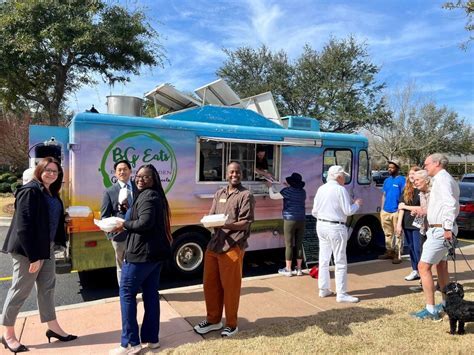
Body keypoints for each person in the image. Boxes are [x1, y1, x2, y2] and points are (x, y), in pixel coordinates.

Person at [1, 157, 77, 353]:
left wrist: (63, 219)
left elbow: (46, 218)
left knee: (47, 288)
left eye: (55, 171)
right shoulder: (30, 191)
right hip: (29, 251)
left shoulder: (50, 192)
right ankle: (7, 334)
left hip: (47, 248)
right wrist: (34, 256)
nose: (52, 173)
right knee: (20, 290)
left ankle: (53, 327)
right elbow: (23, 227)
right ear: (40, 170)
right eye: (48, 170)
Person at [109, 164, 173, 354]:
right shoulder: (151, 196)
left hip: (141, 255)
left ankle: (130, 343)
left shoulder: (149, 196)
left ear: (154, 179)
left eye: (145, 177)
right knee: (151, 295)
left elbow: (145, 223)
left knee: (127, 293)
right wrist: (130, 212)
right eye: (138, 176)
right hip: (153, 256)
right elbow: (146, 219)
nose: (140, 179)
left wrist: (124, 225)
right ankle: (152, 339)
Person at [194, 162, 255, 338]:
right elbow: (213, 215)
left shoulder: (245, 195)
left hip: (233, 246)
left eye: (237, 172)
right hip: (215, 244)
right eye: (231, 172)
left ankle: (231, 324)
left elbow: (246, 222)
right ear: (226, 174)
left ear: (241, 175)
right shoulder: (219, 193)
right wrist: (209, 221)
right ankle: (213, 320)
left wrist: (226, 224)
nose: (234, 175)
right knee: (210, 285)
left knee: (230, 287)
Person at [411, 153, 460, 320]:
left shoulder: (442, 179)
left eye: (426, 165)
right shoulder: (445, 178)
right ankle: (447, 304)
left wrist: (446, 227)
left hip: (440, 229)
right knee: (441, 266)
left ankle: (431, 310)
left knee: (423, 267)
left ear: (437, 163)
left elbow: (450, 204)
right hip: (441, 229)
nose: (425, 167)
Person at [311, 165, 362, 303]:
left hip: (321, 224)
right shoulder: (340, 190)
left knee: (324, 259)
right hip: (336, 226)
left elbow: (314, 211)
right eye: (343, 176)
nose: (344, 178)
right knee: (340, 261)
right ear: (338, 176)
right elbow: (348, 211)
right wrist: (357, 204)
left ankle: (323, 289)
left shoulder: (321, 189)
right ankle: (342, 293)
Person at [101, 160, 137, 286]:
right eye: (119, 170)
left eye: (125, 169)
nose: (122, 172)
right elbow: (105, 216)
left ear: (130, 171)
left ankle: (137, 289)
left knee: (138, 264)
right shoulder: (109, 191)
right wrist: (111, 236)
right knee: (122, 266)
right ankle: (125, 292)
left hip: (138, 234)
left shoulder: (139, 187)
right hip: (120, 237)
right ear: (115, 173)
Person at [266, 172, 306, 276]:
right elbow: (294, 192)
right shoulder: (303, 192)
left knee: (288, 244)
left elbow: (273, 196)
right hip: (301, 219)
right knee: (299, 244)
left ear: (291, 183)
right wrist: (288, 186)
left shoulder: (286, 191)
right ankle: (299, 269)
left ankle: (288, 269)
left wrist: (270, 187)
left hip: (290, 220)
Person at [396, 166, 422, 281]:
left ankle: (423, 271)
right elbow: (401, 207)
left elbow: (423, 207)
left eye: (414, 174)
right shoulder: (407, 189)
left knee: (418, 248)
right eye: (410, 173)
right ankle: (415, 270)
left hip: (418, 223)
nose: (412, 176)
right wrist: (399, 224)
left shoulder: (422, 190)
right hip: (407, 223)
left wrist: (406, 206)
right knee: (411, 248)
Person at [378, 159, 406, 264]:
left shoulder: (402, 180)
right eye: (389, 167)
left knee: (398, 233)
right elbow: (384, 195)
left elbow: (404, 196)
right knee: (387, 233)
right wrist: (382, 209)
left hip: (396, 211)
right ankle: (389, 251)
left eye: (392, 167)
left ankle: (398, 255)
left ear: (397, 169)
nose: (389, 169)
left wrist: (400, 209)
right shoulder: (387, 180)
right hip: (386, 211)